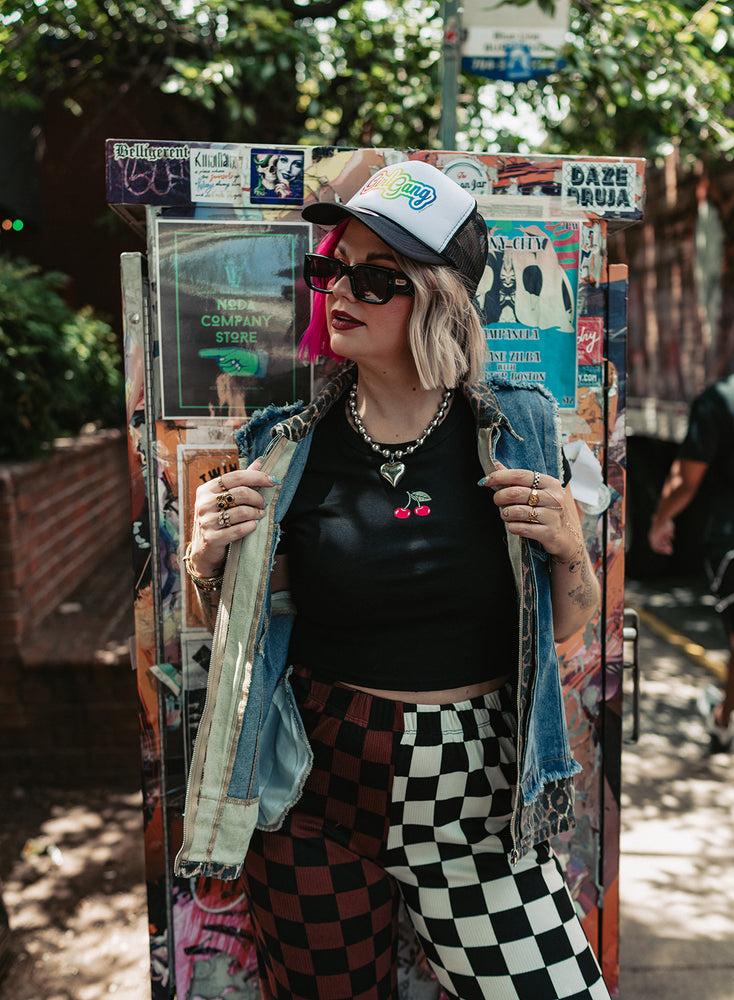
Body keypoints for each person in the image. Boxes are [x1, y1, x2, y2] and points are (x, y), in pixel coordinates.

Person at [175, 159, 607, 1000]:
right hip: (318, 784)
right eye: (333, 267)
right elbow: (237, 629)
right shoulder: (283, 445)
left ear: (441, 299)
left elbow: (566, 627)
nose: (341, 291)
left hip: (475, 793)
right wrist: (202, 559)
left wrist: (573, 551)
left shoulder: (516, 428)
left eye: (377, 278)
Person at [648, 373, 734, 752]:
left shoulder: (719, 399)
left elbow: (685, 480)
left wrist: (659, 519)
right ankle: (722, 719)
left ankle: (722, 721)